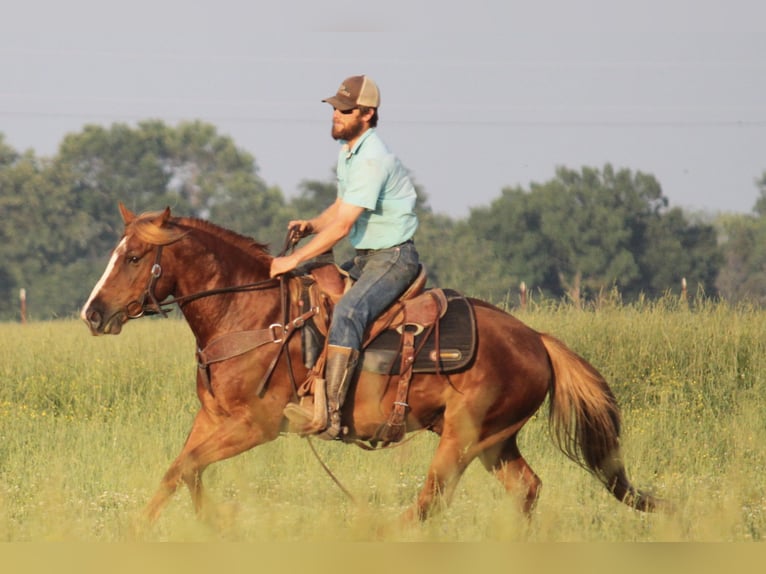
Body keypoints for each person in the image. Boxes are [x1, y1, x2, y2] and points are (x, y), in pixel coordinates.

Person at [270, 74, 420, 439]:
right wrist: (311, 224)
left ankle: (331, 417)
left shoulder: (373, 159)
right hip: (367, 257)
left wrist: (290, 259)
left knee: (350, 310)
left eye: (344, 109)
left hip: (393, 258)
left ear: (367, 114)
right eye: (335, 108)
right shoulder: (349, 153)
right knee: (308, 289)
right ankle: (310, 390)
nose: (336, 115)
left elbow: (342, 227)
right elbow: (339, 209)